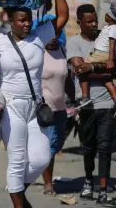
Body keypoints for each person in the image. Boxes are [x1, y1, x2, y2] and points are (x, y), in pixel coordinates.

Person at [0, 0, 69, 208]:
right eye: (21, 20)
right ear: (11, 21)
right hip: (11, 107)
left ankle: (17, 191)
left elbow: (63, 16)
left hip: (35, 107)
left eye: (28, 20)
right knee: (17, 160)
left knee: (42, 157)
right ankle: (18, 202)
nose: (26, 23)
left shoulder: (39, 36)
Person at [66, 4, 116, 208]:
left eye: (95, 20)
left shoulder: (106, 37)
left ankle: (103, 191)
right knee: (88, 148)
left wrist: (93, 67)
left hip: (106, 104)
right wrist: (103, 71)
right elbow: (81, 70)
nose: (93, 24)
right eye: (88, 21)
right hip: (86, 106)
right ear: (79, 22)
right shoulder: (73, 43)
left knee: (105, 147)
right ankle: (89, 179)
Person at [40, 37, 75, 196]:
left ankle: (34, 171)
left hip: (61, 106)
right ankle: (48, 184)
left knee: (58, 143)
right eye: (50, 35)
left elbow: (67, 78)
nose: (52, 39)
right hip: (44, 107)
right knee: (50, 145)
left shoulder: (62, 51)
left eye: (56, 34)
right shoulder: (37, 52)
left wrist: (73, 99)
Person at [78, 1, 116, 112]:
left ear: (111, 17)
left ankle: (85, 97)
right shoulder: (110, 27)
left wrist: (111, 60)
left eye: (106, 13)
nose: (104, 15)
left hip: (100, 54)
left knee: (82, 72)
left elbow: (112, 45)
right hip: (103, 54)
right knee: (107, 80)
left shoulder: (113, 29)